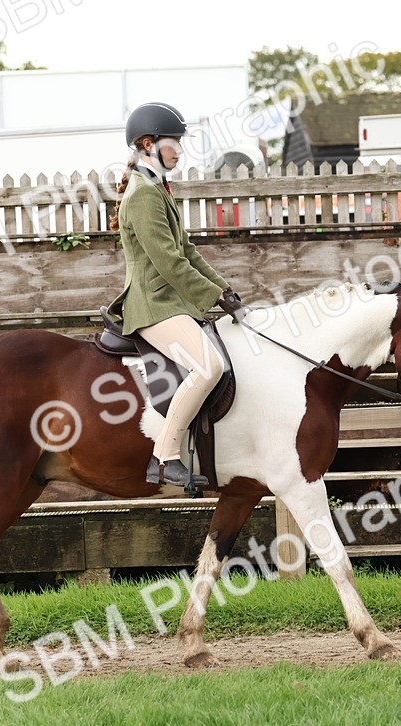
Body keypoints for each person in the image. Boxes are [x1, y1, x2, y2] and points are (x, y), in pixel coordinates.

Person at [106, 102, 246, 488]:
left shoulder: (157, 187)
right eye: (175, 143)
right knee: (209, 367)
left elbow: (188, 251)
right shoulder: (143, 194)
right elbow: (169, 262)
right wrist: (212, 296)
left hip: (171, 302)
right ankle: (165, 457)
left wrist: (223, 289)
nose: (181, 151)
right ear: (148, 144)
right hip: (153, 305)